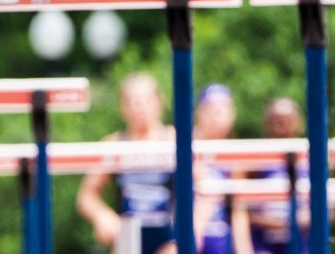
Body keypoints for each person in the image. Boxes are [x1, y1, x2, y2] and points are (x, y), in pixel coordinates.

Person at [76, 73, 178, 254]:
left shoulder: (174, 140)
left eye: (145, 100)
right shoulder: (113, 145)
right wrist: (101, 215)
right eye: (131, 101)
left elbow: (204, 187)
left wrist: (194, 224)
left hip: (169, 235)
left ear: (159, 102)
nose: (138, 107)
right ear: (122, 107)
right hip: (127, 234)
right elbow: (86, 196)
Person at [191, 85, 251, 254]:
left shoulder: (235, 156)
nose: (217, 117)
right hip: (185, 235)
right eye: (211, 111)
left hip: (219, 240)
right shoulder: (182, 145)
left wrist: (245, 250)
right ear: (199, 113)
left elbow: (238, 210)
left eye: (222, 111)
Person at [246, 98, 309, 254]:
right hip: (264, 245)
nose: (280, 125)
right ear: (266, 123)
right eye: (275, 120)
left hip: (304, 244)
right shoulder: (254, 159)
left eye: (286, 119)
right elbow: (239, 210)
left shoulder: (311, 157)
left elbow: (330, 211)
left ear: (298, 122)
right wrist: (278, 223)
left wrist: (305, 218)